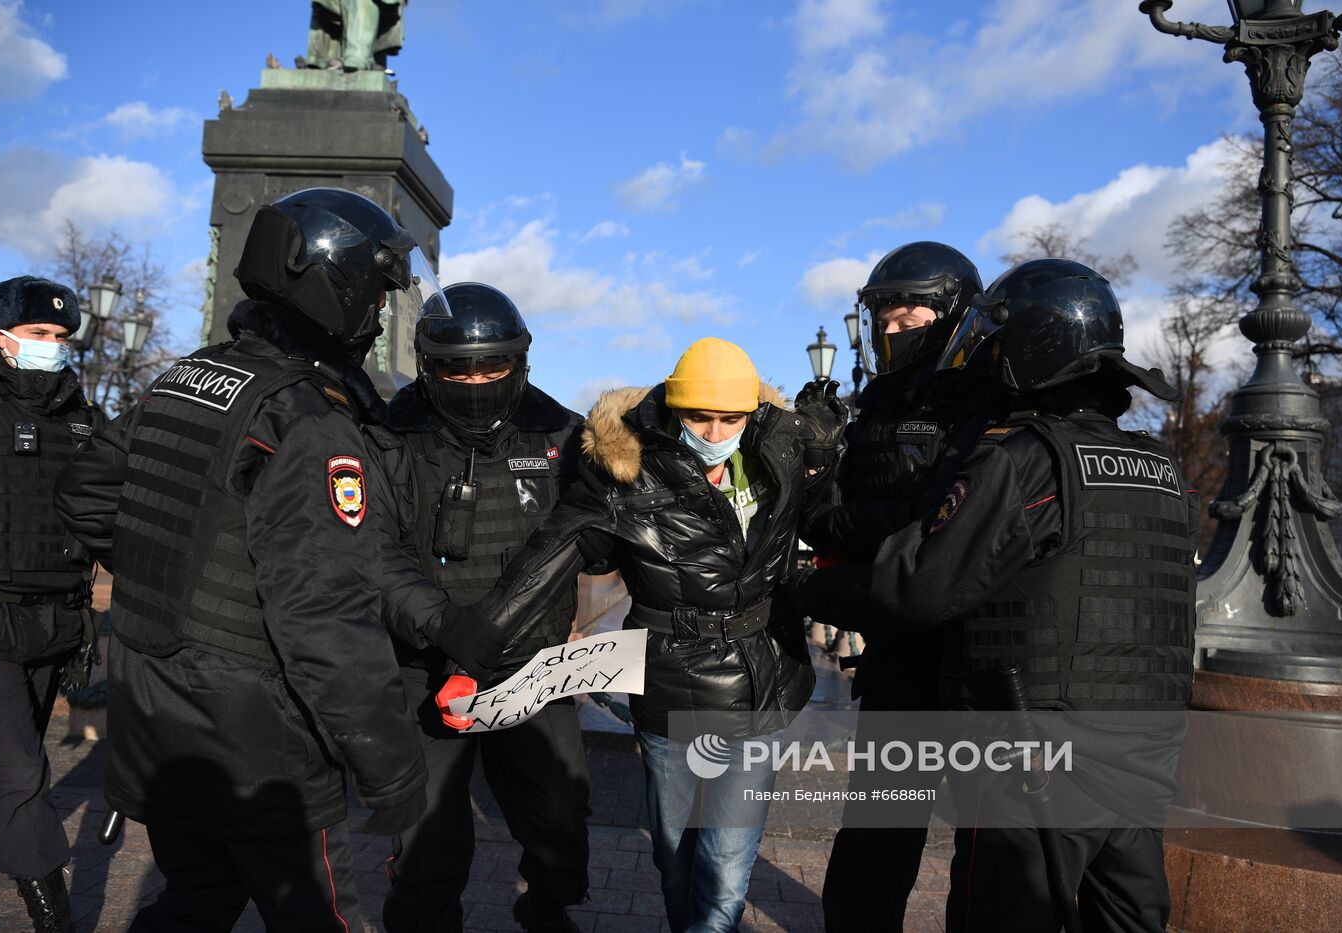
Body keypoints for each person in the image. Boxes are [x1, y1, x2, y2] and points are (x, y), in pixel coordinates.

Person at [54, 188, 508, 932]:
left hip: (153, 700)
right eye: (376, 293)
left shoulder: (186, 378)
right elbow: (325, 619)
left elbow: (86, 494)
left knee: (197, 898)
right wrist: (392, 769)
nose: (380, 313)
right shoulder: (308, 421)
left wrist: (181, 588)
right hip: (257, 736)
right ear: (335, 288)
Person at [795, 259, 1197, 933]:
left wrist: (807, 584)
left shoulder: (1026, 459)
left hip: (1037, 749)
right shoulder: (1161, 466)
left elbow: (920, 582)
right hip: (1145, 746)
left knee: (1002, 909)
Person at [457, 337, 846, 933]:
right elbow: (543, 564)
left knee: (726, 869)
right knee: (675, 856)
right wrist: (470, 656)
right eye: (700, 417)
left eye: (731, 419)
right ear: (674, 409)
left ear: (751, 414)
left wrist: (829, 455)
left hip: (762, 681)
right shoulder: (624, 474)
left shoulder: (780, 450)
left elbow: (834, 519)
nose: (716, 433)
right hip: (670, 686)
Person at [372, 282, 590, 933]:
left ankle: (545, 905)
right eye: (457, 370)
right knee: (427, 845)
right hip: (426, 666)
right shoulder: (388, 435)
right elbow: (371, 554)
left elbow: (603, 530)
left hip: (533, 667)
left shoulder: (562, 434)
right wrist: (444, 625)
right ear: (427, 366)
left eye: (492, 368)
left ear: (519, 362)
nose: (476, 383)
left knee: (562, 823)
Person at [799, 241, 999, 932]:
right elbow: (845, 510)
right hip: (901, 657)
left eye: (906, 313)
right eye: (881, 314)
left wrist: (842, 525)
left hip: (978, 656)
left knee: (988, 852)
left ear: (953, 312)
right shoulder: (880, 401)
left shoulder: (991, 396)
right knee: (877, 836)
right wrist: (818, 460)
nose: (889, 327)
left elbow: (945, 523)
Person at [0, 276, 102, 933]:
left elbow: (109, 503)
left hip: (57, 619)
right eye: (39, 333)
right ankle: (53, 915)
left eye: (62, 335)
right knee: (22, 771)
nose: (54, 344)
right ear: (1, 337)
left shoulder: (81, 413)